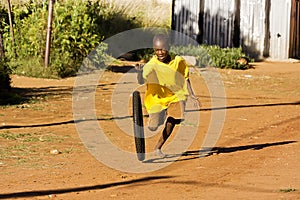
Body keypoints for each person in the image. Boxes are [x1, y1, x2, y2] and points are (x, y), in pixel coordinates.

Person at [137, 34, 200, 158]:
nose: (160, 52)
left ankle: (158, 147)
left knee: (173, 119)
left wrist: (192, 94)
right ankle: (156, 117)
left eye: (162, 49)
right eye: (156, 50)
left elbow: (185, 77)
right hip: (156, 98)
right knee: (153, 127)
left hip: (175, 95)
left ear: (168, 47)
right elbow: (140, 80)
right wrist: (139, 72)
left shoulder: (178, 61)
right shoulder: (152, 64)